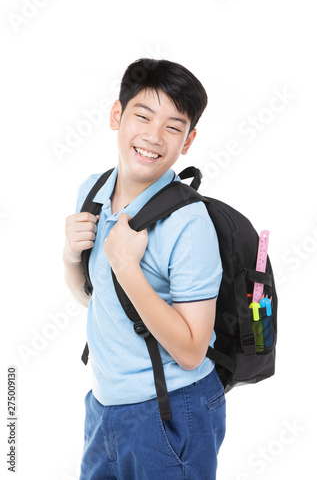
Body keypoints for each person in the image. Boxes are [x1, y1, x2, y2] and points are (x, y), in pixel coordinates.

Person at [63, 58, 226, 480]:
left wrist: (127, 267)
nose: (154, 136)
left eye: (173, 126)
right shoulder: (93, 192)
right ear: (117, 115)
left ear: (188, 141)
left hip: (172, 408)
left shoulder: (188, 223)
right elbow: (93, 298)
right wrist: (69, 255)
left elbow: (191, 351)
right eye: (143, 115)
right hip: (102, 406)